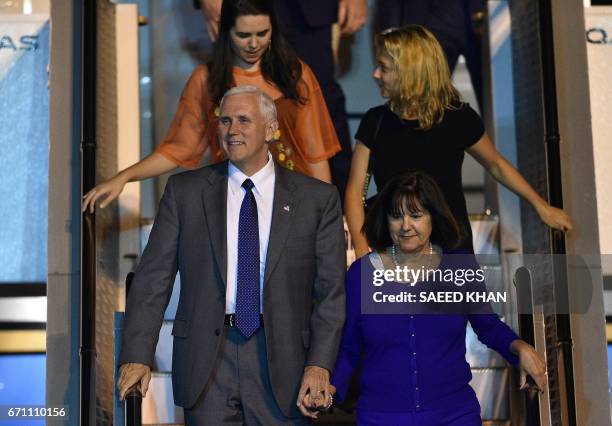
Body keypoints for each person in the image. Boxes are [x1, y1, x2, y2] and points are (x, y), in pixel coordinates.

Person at [117, 86, 346, 424]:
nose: (232, 130)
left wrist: (319, 365)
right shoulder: (185, 193)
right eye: (225, 120)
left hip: (283, 362)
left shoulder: (317, 200)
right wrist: (137, 354)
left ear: (271, 129)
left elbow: (331, 294)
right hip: (206, 361)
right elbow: (153, 280)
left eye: (243, 120)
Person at [82, 0, 341, 213]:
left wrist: (328, 214)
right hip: (237, 200)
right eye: (243, 35)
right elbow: (177, 149)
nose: (254, 44)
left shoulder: (295, 73)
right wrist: (124, 177)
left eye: (262, 33)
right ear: (225, 31)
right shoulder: (207, 79)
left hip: (294, 202)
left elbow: (315, 152)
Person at [331, 171, 547, 425]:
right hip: (381, 417)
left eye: (416, 215)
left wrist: (519, 346)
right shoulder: (361, 274)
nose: (405, 225)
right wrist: (329, 391)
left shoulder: (460, 269)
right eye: (396, 216)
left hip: (454, 415)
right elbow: (349, 349)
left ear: (434, 217)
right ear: (385, 220)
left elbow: (488, 326)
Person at [345, 25, 573, 256]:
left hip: (451, 250)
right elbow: (355, 191)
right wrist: (363, 253)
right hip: (397, 252)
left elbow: (496, 164)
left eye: (383, 67)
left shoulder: (458, 118)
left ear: (409, 71)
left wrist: (542, 207)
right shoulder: (376, 122)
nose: (375, 74)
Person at [198, 0, 368, 202]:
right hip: (239, 7)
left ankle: (335, 215)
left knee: (322, 107)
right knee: (232, 104)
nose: (254, 43)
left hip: (307, 13)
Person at [376, 0, 486, 108]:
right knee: (417, 103)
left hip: (486, 16)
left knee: (497, 103)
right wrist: (390, 29)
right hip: (428, 19)